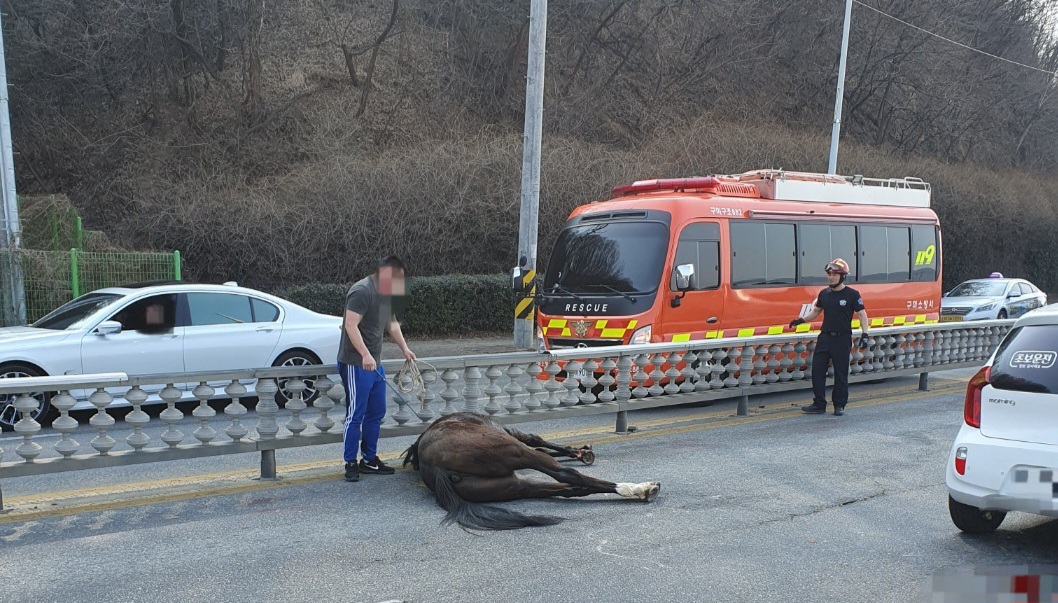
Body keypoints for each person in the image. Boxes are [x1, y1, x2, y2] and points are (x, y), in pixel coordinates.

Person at [338, 256, 416, 482]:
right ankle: (350, 462)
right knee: (355, 414)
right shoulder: (361, 291)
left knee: (377, 412)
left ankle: (369, 460)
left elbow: (391, 323)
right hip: (355, 363)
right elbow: (350, 325)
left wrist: (405, 348)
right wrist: (364, 354)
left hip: (375, 364)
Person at [787, 258, 870, 416]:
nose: (831, 277)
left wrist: (865, 334)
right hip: (825, 338)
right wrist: (801, 320)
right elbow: (816, 311)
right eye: (829, 274)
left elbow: (862, 314)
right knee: (817, 371)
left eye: (834, 274)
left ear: (843, 276)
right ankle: (819, 404)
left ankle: (839, 405)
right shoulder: (824, 294)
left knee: (840, 373)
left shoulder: (852, 294)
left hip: (842, 339)